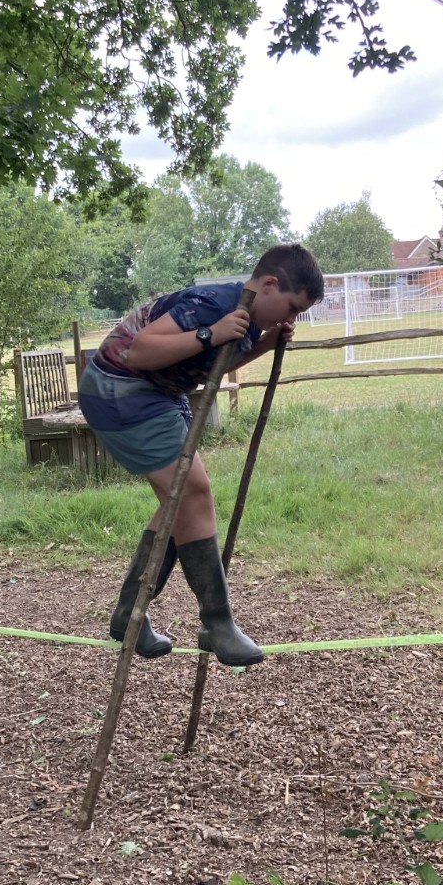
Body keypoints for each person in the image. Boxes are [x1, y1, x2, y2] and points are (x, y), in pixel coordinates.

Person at [78, 243, 324, 666]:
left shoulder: (245, 315)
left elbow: (214, 360)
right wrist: (211, 332)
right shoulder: (212, 305)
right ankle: (216, 622)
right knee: (193, 494)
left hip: (156, 393)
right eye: (291, 306)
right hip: (121, 389)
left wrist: (263, 344)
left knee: (182, 501)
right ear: (269, 283)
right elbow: (141, 350)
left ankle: (128, 615)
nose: (290, 318)